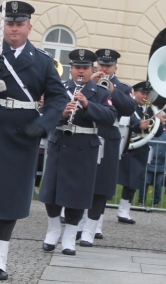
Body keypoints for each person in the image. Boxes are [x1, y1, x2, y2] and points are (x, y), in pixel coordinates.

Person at [0, 0, 66, 280]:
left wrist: (43, 124)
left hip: (20, 136)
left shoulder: (42, 60)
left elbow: (58, 98)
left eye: (19, 24)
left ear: (29, 27)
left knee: (9, 199)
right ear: (3, 26)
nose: (14, 29)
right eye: (9, 24)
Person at [39, 49, 117, 255]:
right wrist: (61, 114)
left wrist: (87, 104)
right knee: (51, 191)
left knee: (78, 194)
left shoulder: (100, 92)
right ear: (70, 68)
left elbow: (110, 116)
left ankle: (70, 237)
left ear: (92, 69)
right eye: (76, 68)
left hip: (85, 147)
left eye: (85, 68)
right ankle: (53, 230)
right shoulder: (59, 89)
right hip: (60, 143)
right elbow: (44, 113)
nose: (80, 72)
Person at [81, 80, 149, 245]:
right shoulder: (89, 82)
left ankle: (93, 228)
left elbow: (129, 108)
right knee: (82, 182)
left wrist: (113, 91)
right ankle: (78, 223)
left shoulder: (123, 88)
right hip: (85, 134)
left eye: (108, 67)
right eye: (102, 66)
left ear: (115, 68)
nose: (104, 69)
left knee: (102, 186)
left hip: (109, 137)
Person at [141, 111, 166, 207]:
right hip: (150, 161)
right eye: (163, 117)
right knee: (146, 181)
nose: (165, 119)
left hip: (161, 163)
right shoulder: (151, 129)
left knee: (158, 184)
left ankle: (156, 202)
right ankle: (141, 200)